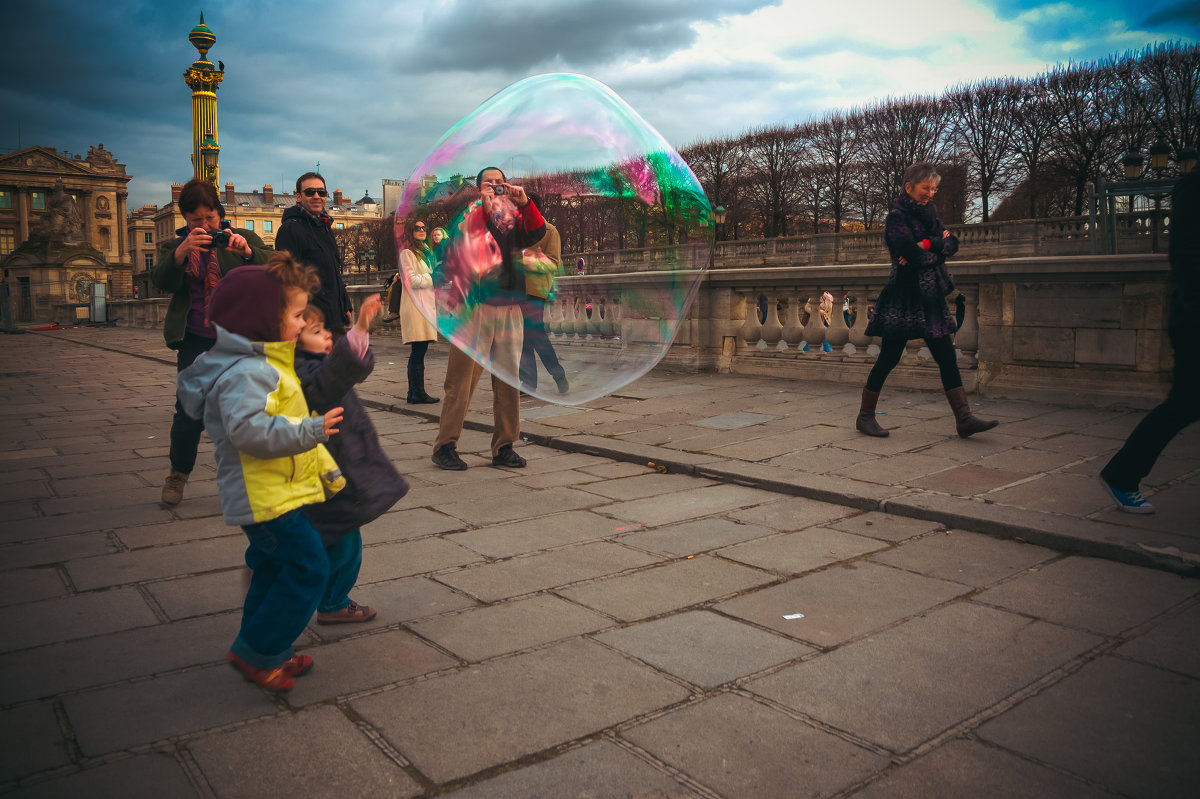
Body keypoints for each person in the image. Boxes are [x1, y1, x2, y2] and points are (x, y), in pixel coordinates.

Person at [176, 254, 344, 692]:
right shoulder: (249, 371)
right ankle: (257, 651)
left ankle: (267, 646)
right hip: (264, 497)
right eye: (294, 314)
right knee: (308, 567)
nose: (301, 322)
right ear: (261, 320)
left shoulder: (265, 361)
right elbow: (250, 431)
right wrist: (310, 431)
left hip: (274, 492)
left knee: (272, 569)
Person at [150, 177, 271, 506]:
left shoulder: (241, 238)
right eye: (195, 221)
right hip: (196, 340)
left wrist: (247, 254)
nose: (204, 225)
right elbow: (161, 280)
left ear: (220, 213)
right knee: (188, 413)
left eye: (209, 218)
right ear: (185, 220)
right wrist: (179, 255)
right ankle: (178, 474)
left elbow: (275, 269)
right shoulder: (176, 246)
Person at [856, 162, 996, 439]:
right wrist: (931, 247)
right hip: (904, 298)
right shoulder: (896, 218)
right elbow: (910, 253)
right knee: (889, 357)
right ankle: (865, 416)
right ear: (909, 188)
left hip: (930, 298)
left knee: (946, 357)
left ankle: (964, 418)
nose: (930, 193)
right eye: (925, 188)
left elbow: (952, 244)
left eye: (933, 188)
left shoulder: (931, 215)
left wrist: (929, 244)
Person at [295, 296, 409, 620]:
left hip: (341, 469)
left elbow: (348, 369)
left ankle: (327, 597)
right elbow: (330, 379)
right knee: (343, 542)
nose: (328, 336)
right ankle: (331, 603)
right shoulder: (304, 369)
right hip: (332, 476)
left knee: (337, 538)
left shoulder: (313, 362)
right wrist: (359, 328)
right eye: (317, 331)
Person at [1099, 166, 1199, 513]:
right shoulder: (1193, 187)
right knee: (1185, 403)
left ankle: (1122, 474)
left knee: (1185, 403)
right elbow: (1188, 260)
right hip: (1193, 319)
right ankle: (1122, 474)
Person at [431, 166, 545, 470]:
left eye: (499, 182)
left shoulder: (513, 216)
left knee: (509, 380)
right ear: (478, 188)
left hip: (509, 306)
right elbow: (463, 243)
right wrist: (483, 207)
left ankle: (505, 445)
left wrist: (525, 203)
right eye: (488, 183)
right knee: (461, 382)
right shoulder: (470, 213)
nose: (494, 187)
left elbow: (537, 234)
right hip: (474, 306)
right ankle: (445, 445)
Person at [276, 172, 353, 334]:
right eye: (310, 192)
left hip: (335, 318)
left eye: (322, 192)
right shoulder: (290, 229)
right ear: (298, 196)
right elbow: (288, 282)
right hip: (311, 323)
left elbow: (334, 273)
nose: (317, 196)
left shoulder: (324, 227)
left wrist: (345, 305)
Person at [519, 202, 569, 393]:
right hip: (515, 289)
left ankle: (558, 375)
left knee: (536, 334)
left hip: (535, 290)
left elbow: (554, 263)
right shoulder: (516, 230)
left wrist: (531, 262)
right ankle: (528, 382)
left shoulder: (550, 231)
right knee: (522, 338)